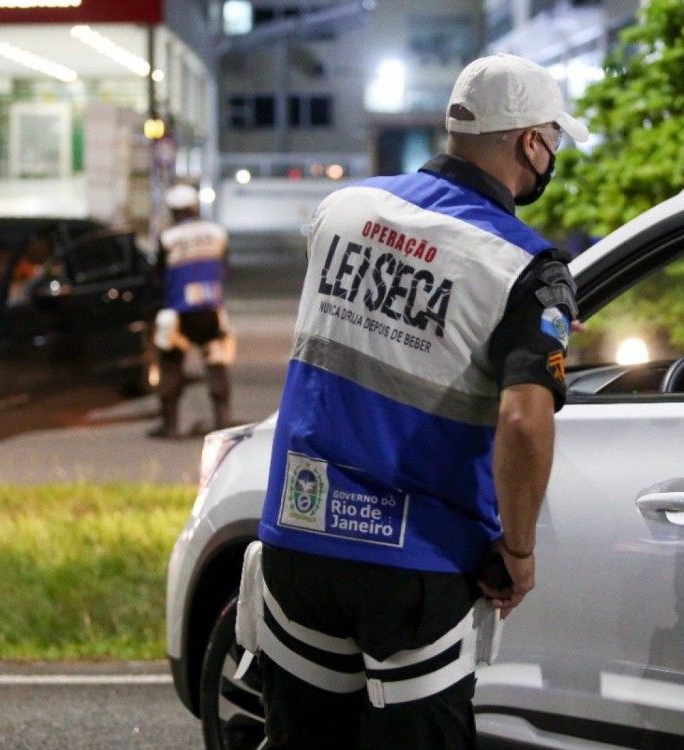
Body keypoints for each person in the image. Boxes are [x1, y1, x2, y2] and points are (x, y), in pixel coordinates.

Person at [238, 53, 590, 749]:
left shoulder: (343, 210)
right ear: (530, 143)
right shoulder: (524, 266)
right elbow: (523, 421)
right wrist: (517, 553)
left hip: (298, 540)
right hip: (414, 566)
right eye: (553, 138)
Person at [149, 184, 234, 438]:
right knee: (217, 363)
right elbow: (225, 266)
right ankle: (223, 420)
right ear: (195, 206)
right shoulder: (217, 233)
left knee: (171, 364)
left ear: (173, 210)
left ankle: (170, 425)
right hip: (211, 310)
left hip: (178, 312)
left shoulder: (168, 238)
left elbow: (159, 275)